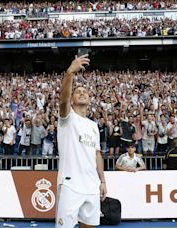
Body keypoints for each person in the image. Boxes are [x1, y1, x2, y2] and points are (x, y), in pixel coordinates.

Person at [56, 55, 107, 228]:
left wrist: (103, 181)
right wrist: (70, 72)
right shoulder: (67, 118)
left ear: (90, 100)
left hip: (92, 185)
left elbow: (97, 154)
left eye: (85, 91)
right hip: (70, 184)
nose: (82, 92)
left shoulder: (93, 126)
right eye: (78, 91)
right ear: (72, 100)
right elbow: (63, 100)